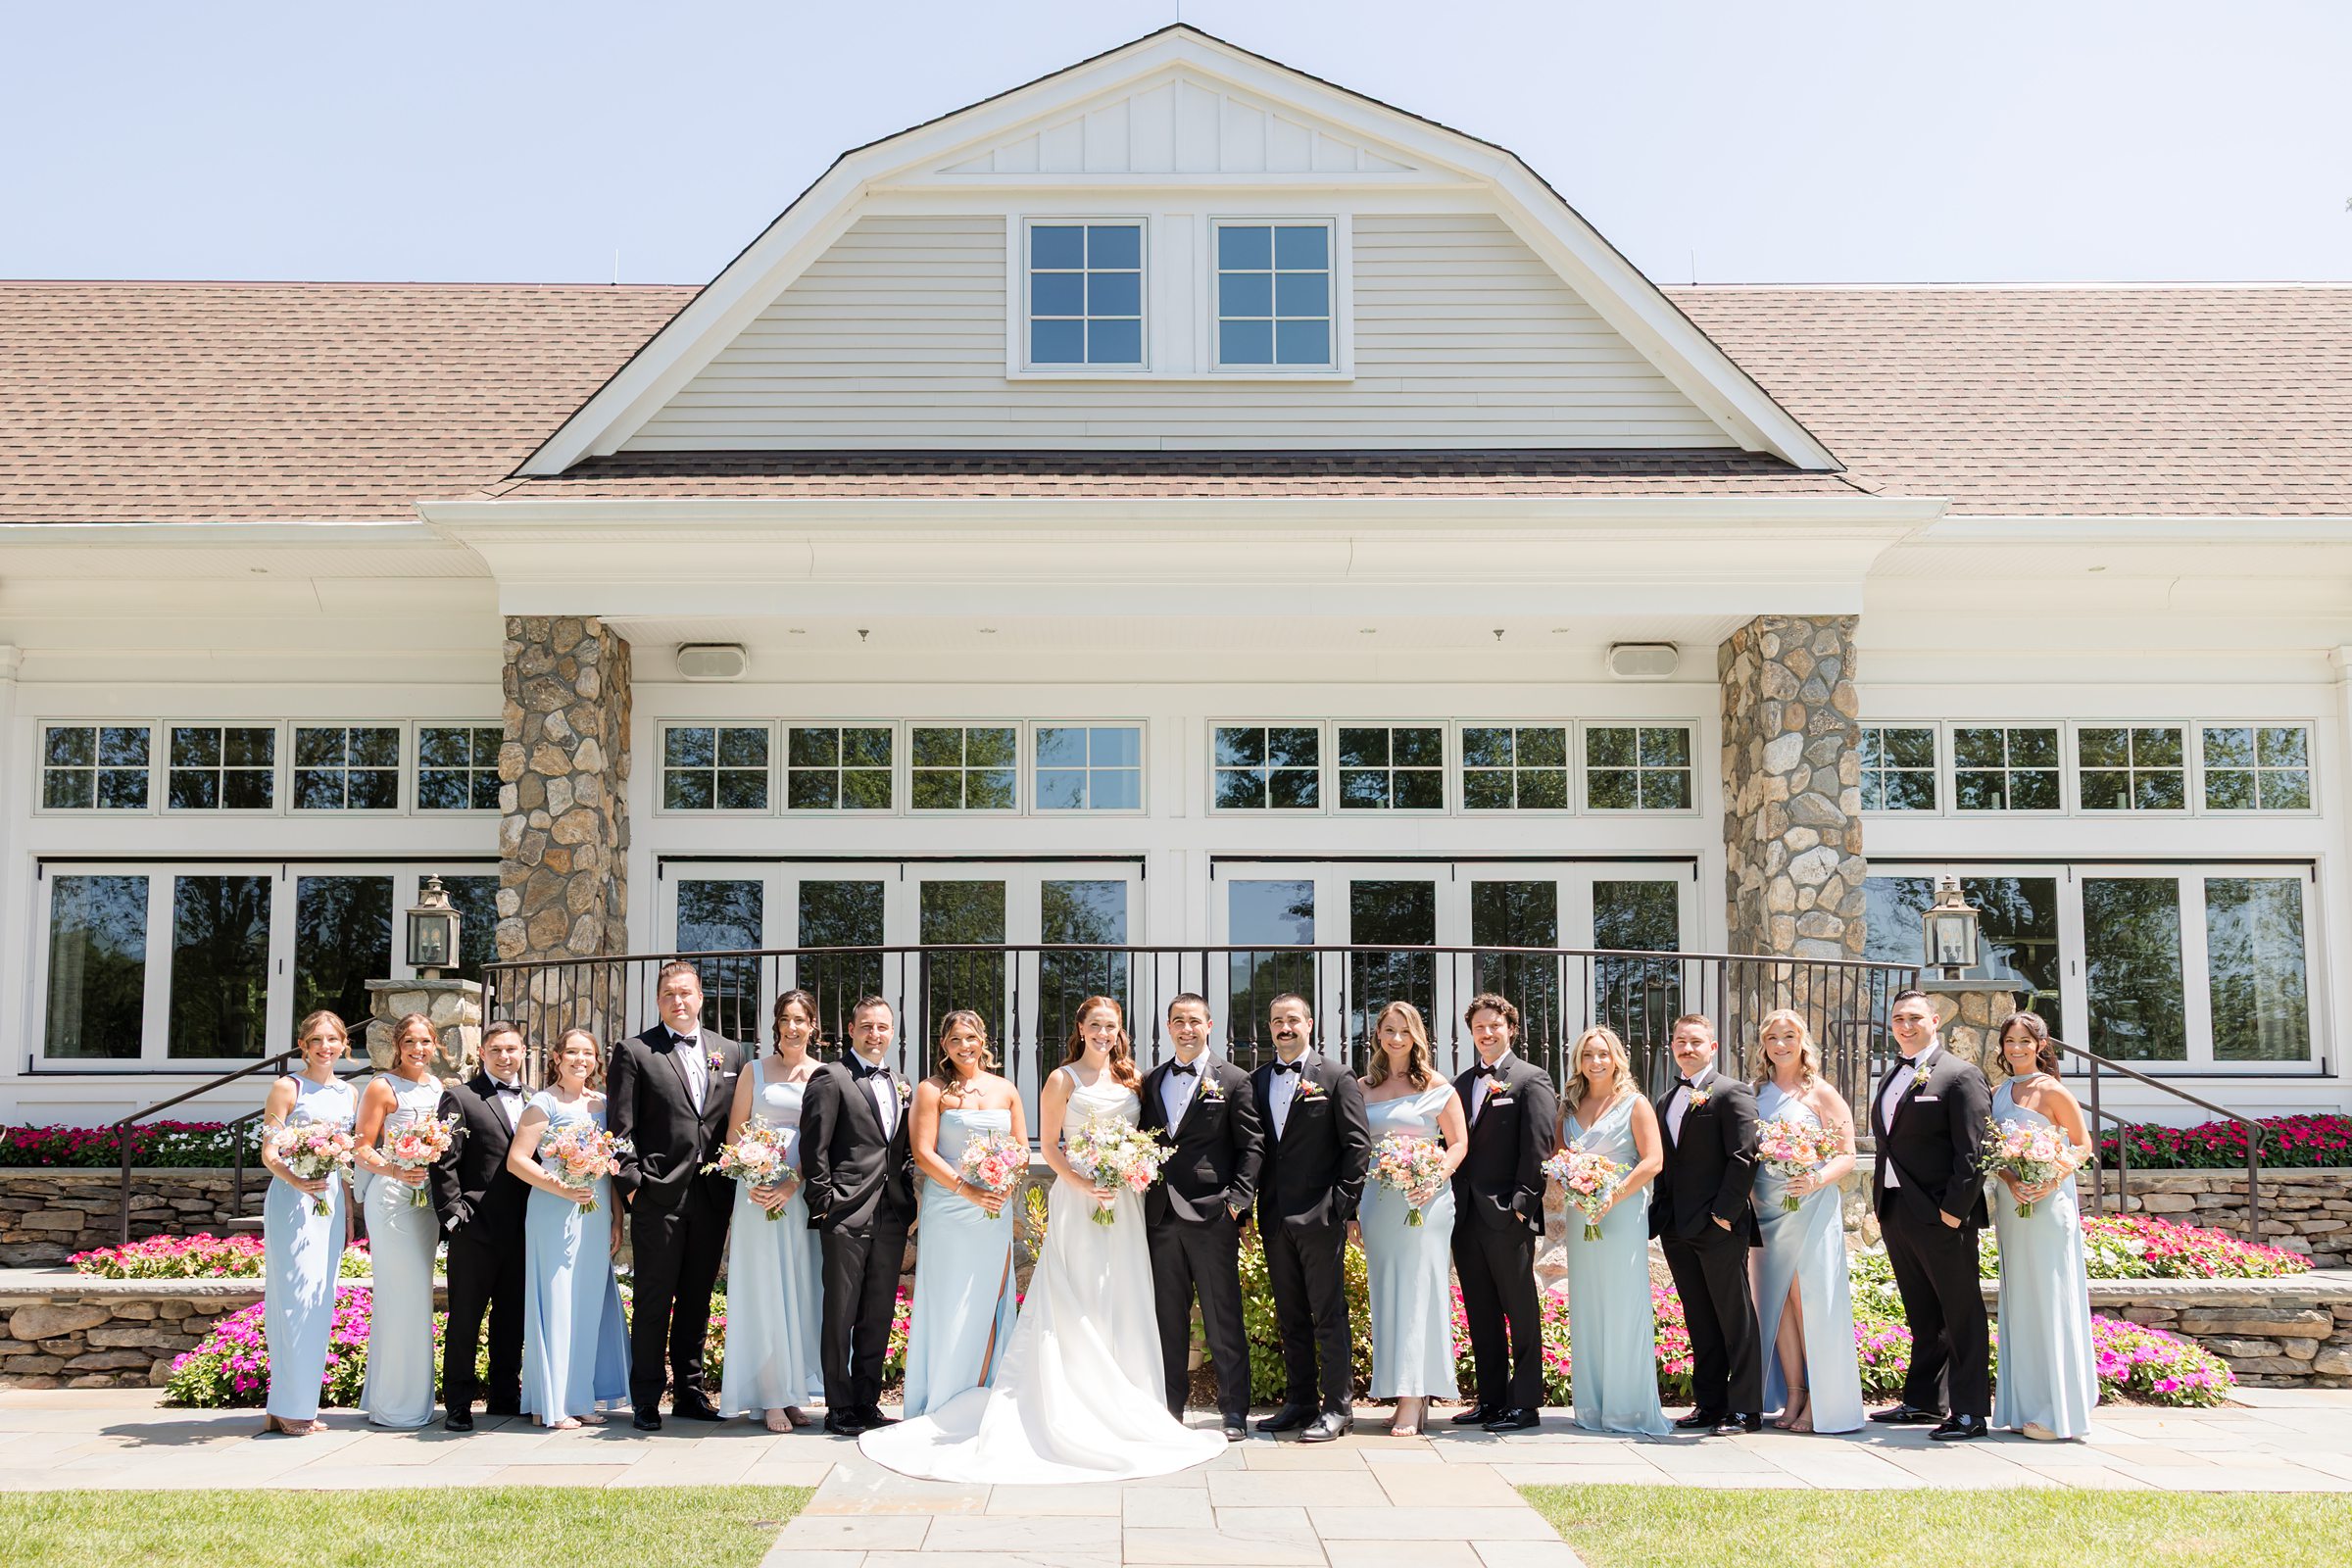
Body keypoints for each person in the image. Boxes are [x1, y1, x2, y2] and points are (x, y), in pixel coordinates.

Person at [860, 997, 1228, 1482]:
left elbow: (1147, 1139)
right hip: (1078, 1201)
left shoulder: (1134, 1078)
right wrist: (1081, 1183)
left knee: (1124, 1294)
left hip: (1125, 1205)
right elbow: (1048, 1147)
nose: (1103, 1034)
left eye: (1111, 1027)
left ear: (1121, 1031)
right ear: (1080, 1027)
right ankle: (1066, 1397)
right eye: (1095, 1025)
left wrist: (1128, 1170)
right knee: (1076, 1294)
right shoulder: (1060, 1079)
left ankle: (1127, 1399)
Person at [609, 960, 742, 1430]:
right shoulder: (635, 1051)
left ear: (701, 997)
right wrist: (633, 1190)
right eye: (669, 994)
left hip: (711, 1197)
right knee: (652, 1299)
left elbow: (730, 1125)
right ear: (659, 1000)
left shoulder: (730, 1053)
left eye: (686, 993)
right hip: (657, 1196)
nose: (678, 1001)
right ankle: (645, 1396)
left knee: (697, 1298)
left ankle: (689, 1391)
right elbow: (619, 1130)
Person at [1868, 988, 1994, 1443]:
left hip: (1943, 1216)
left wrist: (1952, 1214)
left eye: (1915, 1017)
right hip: (1897, 1210)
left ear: (1935, 1020)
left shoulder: (1960, 1076)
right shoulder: (1890, 1076)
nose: (1906, 1025)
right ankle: (1924, 1400)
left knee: (1960, 1313)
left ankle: (1970, 1412)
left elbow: (1974, 1153)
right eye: (1899, 1017)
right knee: (1922, 1312)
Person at [1139, 991, 1263, 1443]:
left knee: (1221, 1315)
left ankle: (1233, 1412)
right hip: (1160, 1215)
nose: (1186, 1028)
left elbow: (1252, 1145)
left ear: (1209, 1025)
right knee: (1166, 1318)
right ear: (1168, 1027)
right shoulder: (1152, 1080)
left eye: (1194, 1020)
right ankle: (1170, 1409)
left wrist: (1237, 1202)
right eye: (1177, 1021)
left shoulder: (1233, 1079)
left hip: (1213, 1214)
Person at [1250, 992, 1371, 1444]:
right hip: (1276, 1216)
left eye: (1293, 1020)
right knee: (1291, 1314)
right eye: (1277, 1020)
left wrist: (1342, 1205)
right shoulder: (1259, 1080)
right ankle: (1300, 1403)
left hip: (1321, 1216)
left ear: (1309, 1023)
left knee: (1328, 1314)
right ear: (1270, 1027)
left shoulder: (1337, 1076)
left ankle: (1338, 1408)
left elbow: (1357, 1146)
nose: (1285, 1027)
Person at [898, 1008, 1025, 1419]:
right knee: (949, 1297)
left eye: (970, 1038)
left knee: (989, 1296)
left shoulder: (1005, 1089)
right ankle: (941, 1395)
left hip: (994, 1209)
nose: (964, 1046)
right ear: (943, 1045)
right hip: (950, 1208)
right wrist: (966, 1188)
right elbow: (923, 1152)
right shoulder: (932, 1090)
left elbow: (1021, 1150)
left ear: (983, 1039)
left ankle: (985, 1391)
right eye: (955, 1039)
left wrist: (1004, 1185)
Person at [800, 995, 918, 1437]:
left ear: (892, 1032)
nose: (875, 1034)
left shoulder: (901, 1081)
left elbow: (901, 1150)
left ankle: (867, 1402)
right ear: (851, 1030)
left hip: (890, 1213)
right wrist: (825, 1203)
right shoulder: (830, 1077)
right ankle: (839, 1406)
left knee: (878, 1311)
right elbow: (814, 1149)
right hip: (845, 1212)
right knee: (841, 1312)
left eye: (883, 1027)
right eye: (867, 1026)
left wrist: (906, 1197)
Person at [1448, 992, 1558, 1434]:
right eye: (1479, 1028)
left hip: (1506, 1215)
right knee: (1480, 1309)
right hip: (1466, 1216)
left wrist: (1521, 1206)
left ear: (1511, 1028)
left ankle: (1526, 1403)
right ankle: (1491, 1399)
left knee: (1520, 1307)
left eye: (1495, 1025)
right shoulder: (1460, 1083)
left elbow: (1538, 1146)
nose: (1487, 1033)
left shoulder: (1531, 1079)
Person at [509, 1028, 630, 1428]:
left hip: (594, 1213)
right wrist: (562, 1187)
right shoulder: (543, 1102)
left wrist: (616, 1214)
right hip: (553, 1210)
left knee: (586, 1302)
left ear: (597, 1060)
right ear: (557, 1057)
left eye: (588, 1053)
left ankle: (578, 1398)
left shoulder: (604, 1104)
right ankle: (551, 1401)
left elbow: (610, 1170)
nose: (581, 1059)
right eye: (572, 1052)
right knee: (556, 1299)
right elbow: (518, 1160)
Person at [1749, 1008, 1864, 1434]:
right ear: (1764, 1045)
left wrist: (1814, 1178)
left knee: (1808, 1301)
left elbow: (1847, 1155)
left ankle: (1820, 1397)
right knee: (1776, 1305)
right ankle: (1792, 1395)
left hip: (1810, 1207)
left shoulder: (1821, 1093)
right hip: (1766, 1211)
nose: (1780, 1044)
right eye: (1772, 1037)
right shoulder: (1755, 1092)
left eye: (1789, 1036)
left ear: (1803, 1042)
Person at [718, 989, 828, 1432]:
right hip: (757, 1195)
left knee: (799, 1288)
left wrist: (791, 1181)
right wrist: (756, 1173)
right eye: (786, 1019)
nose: (794, 1027)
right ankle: (769, 1397)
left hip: (798, 1193)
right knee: (764, 1288)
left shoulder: (824, 1074)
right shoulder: (754, 1070)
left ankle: (790, 1391)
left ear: (813, 1026)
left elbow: (823, 1139)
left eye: (802, 1019)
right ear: (777, 1025)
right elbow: (733, 1134)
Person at [1988, 1010, 2097, 1441]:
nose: (2016, 1048)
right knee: (2022, 1300)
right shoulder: (1998, 1093)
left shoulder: (2053, 1091)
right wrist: (2014, 1179)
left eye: (2024, 1041)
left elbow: (2084, 1145)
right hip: (2013, 1206)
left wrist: (2048, 1178)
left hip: (2050, 1206)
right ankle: (2024, 1404)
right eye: (2009, 1041)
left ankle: (2057, 1414)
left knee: (2051, 1297)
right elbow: (1994, 1153)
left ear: (2041, 1046)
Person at [1652, 1012, 1763, 1436]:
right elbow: (1668, 1162)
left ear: (1712, 1047)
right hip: (1677, 1228)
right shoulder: (1666, 1099)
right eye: (1680, 1041)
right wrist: (1663, 1213)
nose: (1687, 1048)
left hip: (1718, 1228)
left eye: (1696, 1041)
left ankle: (1745, 1409)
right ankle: (1710, 1403)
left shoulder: (1732, 1093)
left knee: (1735, 1318)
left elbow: (1743, 1157)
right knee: (1699, 1318)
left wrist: (1722, 1215)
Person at [1359, 1001, 1467, 1437]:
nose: (1397, 1038)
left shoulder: (1435, 1084)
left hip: (1426, 1202)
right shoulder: (1364, 1086)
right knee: (1388, 1293)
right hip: (1378, 1201)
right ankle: (1402, 1388)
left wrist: (1432, 1177)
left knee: (1420, 1292)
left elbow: (1458, 1143)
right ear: (1378, 1035)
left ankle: (1413, 1397)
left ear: (1417, 1035)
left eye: (1405, 1030)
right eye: (1389, 1030)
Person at [1557, 1026, 1670, 1436]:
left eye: (1603, 1054)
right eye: (1588, 1055)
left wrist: (1613, 1195)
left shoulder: (1634, 1104)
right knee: (1588, 1306)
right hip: (1581, 1215)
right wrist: (1573, 1182)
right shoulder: (1569, 1106)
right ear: (1579, 1061)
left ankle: (1627, 1409)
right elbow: (1558, 1158)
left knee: (1623, 1305)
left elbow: (1653, 1160)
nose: (1596, 1062)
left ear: (1617, 1057)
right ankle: (1592, 1406)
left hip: (1620, 1214)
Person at [429, 1018, 532, 1432]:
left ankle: (505, 1394)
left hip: (524, 1226)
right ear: (483, 1055)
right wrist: (454, 1214)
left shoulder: (535, 1100)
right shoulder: (460, 1098)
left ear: (523, 1052)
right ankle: (457, 1402)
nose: (505, 1057)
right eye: (497, 1050)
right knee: (466, 1318)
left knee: (512, 1317)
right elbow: (443, 1160)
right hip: (475, 1227)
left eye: (512, 1049)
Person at [260, 1010, 358, 1436]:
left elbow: (347, 1161)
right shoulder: (287, 1086)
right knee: (293, 1298)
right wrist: (297, 1180)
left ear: (343, 1046)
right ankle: (289, 1408)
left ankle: (296, 1405)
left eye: (333, 1039)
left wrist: (349, 1211)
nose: (325, 1047)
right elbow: (269, 1153)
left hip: (331, 1201)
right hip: (292, 1200)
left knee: (320, 1299)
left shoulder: (349, 1094)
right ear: (303, 1045)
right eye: (317, 1040)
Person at [351, 1012, 445, 1430]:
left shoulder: (439, 1088)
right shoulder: (382, 1087)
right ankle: (395, 1406)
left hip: (425, 1205)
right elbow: (361, 1147)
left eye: (426, 1041)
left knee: (418, 1298)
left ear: (436, 1045)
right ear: (398, 1046)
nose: (419, 1049)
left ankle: (412, 1398)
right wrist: (394, 1171)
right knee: (399, 1296)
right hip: (392, 1200)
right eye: (411, 1042)